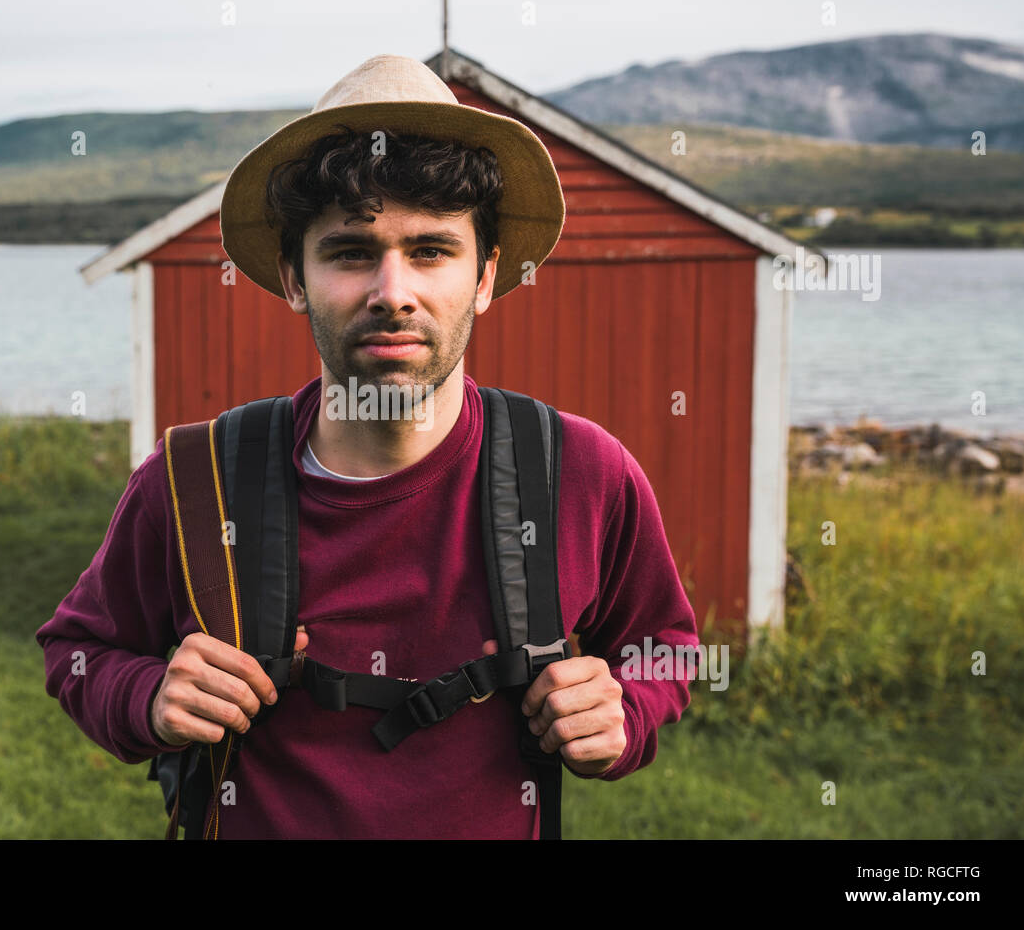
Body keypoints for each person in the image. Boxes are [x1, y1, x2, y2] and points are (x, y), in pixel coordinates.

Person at [35, 54, 699, 838]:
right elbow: (77, 650)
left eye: (431, 250)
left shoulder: (583, 473)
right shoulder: (194, 480)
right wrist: (147, 697)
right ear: (293, 276)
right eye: (351, 252)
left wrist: (627, 707)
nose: (393, 291)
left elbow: (668, 649)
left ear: (485, 275)